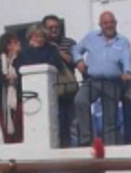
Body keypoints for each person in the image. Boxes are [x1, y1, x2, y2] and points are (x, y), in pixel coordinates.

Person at [73, 11, 131, 146]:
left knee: (110, 118)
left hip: (112, 82)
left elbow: (126, 58)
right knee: (80, 100)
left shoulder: (123, 41)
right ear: (100, 24)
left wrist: (127, 72)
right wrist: (79, 61)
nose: (109, 25)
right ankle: (86, 139)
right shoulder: (91, 37)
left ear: (116, 23)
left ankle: (110, 147)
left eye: (111, 22)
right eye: (105, 23)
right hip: (92, 80)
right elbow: (76, 50)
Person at [43, 14, 79, 148]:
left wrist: (57, 51)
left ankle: (74, 151)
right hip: (50, 90)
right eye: (50, 27)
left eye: (56, 27)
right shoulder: (41, 44)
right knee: (55, 123)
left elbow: (74, 61)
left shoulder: (69, 43)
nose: (54, 30)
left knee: (72, 123)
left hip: (67, 89)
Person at [0, 32, 23, 144]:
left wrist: (15, 57)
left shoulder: (21, 58)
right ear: (8, 45)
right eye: (15, 42)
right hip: (3, 97)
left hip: (18, 95)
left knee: (19, 124)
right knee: (4, 124)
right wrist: (5, 77)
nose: (18, 44)